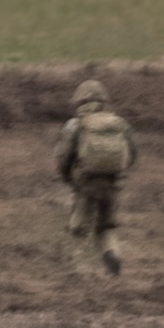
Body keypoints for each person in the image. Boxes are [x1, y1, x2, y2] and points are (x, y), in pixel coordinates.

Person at [54, 78, 137, 276]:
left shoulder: (75, 125)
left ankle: (78, 269)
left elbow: (64, 157)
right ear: (103, 100)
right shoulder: (120, 123)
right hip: (113, 183)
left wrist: (67, 177)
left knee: (78, 228)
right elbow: (132, 154)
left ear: (79, 101)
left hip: (86, 185)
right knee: (106, 226)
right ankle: (114, 257)